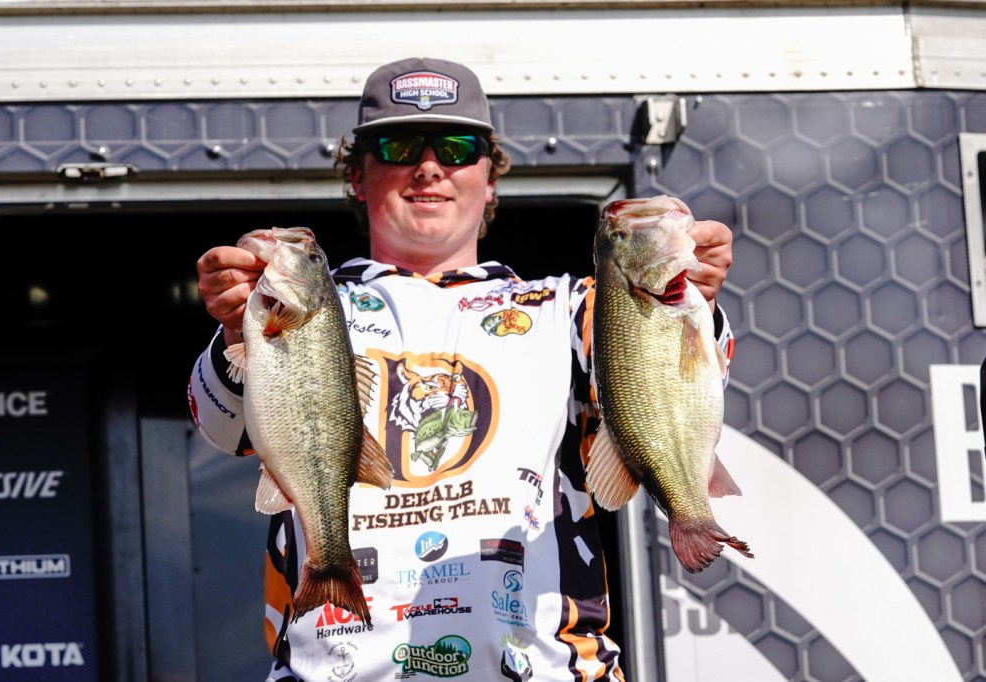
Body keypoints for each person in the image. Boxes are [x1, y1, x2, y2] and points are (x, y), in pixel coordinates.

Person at [187, 56, 734, 681]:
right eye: (398, 147)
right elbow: (223, 430)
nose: (429, 167)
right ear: (357, 176)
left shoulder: (571, 306)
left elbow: (672, 393)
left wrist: (692, 298)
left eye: (456, 148)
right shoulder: (307, 305)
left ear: (490, 178)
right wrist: (234, 328)